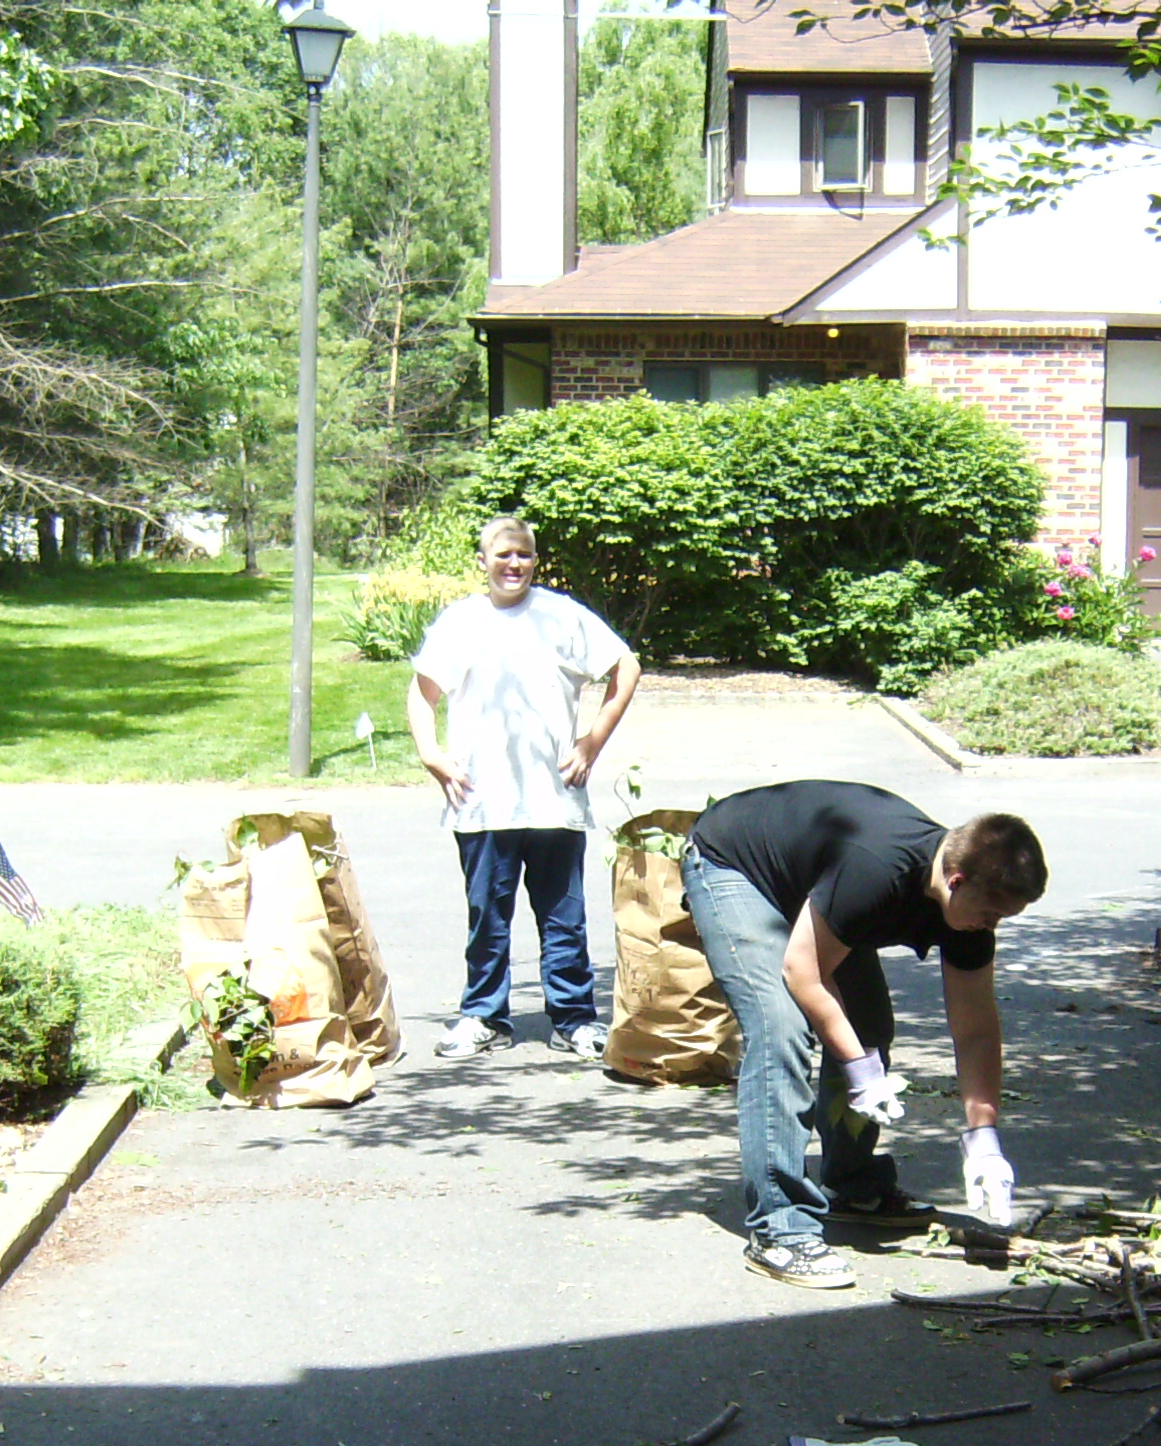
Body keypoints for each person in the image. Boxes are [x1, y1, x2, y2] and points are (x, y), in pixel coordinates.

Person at [683, 781, 1046, 1288]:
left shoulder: (965, 912)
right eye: (991, 915)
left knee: (867, 1027)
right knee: (781, 1028)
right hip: (736, 866)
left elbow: (977, 1031)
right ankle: (780, 1229)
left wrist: (983, 1140)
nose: (993, 927)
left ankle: (851, 1185)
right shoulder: (876, 871)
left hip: (815, 888)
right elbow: (803, 972)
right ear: (957, 880)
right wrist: (860, 1071)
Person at [406, 517, 641, 1059]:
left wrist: (591, 743)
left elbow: (625, 667)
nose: (515, 564)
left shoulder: (561, 616)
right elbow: (422, 693)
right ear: (483, 560)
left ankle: (574, 1019)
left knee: (564, 919)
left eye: (525, 555)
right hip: (481, 800)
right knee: (487, 918)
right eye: (504, 554)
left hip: (554, 796)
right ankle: (483, 1017)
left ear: (536, 560)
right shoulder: (460, 622)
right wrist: (430, 754)